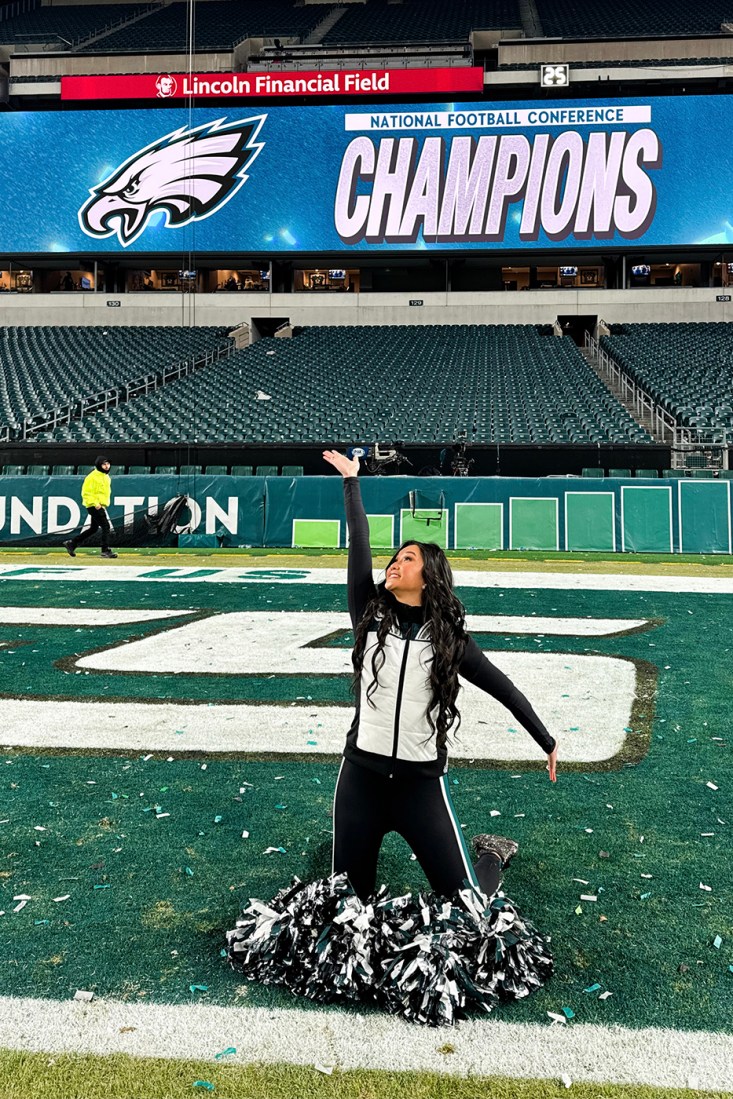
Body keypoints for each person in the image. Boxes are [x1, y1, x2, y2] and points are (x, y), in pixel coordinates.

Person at [227, 451, 557, 1024]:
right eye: (394, 557)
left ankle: (491, 855)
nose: (392, 564)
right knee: (341, 916)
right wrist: (353, 486)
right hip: (361, 782)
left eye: (406, 558)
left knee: (473, 916)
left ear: (428, 575)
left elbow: (503, 687)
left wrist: (546, 740)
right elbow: (357, 550)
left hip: (420, 789)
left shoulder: (451, 640)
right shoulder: (368, 613)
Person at [63, 456, 118, 559]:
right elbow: (86, 493)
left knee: (93, 528)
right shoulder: (92, 477)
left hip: (99, 505)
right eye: (104, 464)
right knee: (106, 526)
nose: (107, 466)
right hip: (94, 506)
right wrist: (95, 503)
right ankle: (105, 550)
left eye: (108, 464)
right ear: (99, 465)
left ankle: (72, 543)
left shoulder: (106, 477)